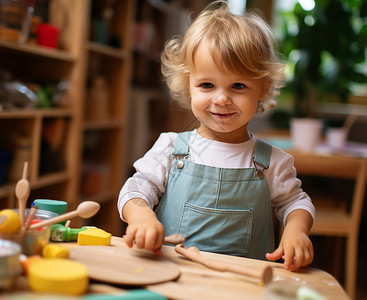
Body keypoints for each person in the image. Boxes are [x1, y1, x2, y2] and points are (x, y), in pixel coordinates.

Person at [118, 1, 315, 271]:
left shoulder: (273, 162)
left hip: (243, 284)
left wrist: (296, 230)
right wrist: (140, 216)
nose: (221, 99)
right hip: (171, 275)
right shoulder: (170, 147)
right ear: (188, 85)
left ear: (262, 88)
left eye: (238, 85)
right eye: (207, 85)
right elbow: (134, 189)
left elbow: (295, 202)